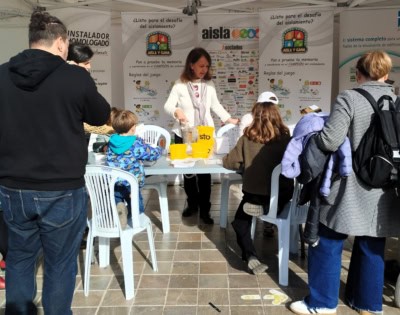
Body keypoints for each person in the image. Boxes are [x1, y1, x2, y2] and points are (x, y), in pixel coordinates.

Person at [0, 10, 111, 314]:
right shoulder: (75, 76)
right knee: (60, 264)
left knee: (20, 259)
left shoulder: (2, 74)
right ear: (61, 43)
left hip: (13, 187)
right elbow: (101, 115)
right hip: (61, 188)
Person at [289, 51, 400, 315]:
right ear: (385, 74)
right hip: (384, 185)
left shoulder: (349, 98)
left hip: (349, 185)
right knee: (372, 245)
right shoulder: (396, 100)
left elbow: (329, 140)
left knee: (327, 240)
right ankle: (369, 305)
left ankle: (322, 303)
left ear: (358, 74)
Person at [164, 47, 239, 224]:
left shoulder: (209, 85)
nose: (204, 69)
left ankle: (205, 209)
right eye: (201, 65)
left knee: (205, 173)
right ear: (191, 65)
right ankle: (192, 204)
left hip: (205, 134)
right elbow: (167, 105)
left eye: (207, 66)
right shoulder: (179, 84)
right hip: (184, 133)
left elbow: (216, 106)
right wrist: (177, 111)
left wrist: (228, 119)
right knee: (188, 172)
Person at [222, 91, 293, 274]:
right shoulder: (286, 138)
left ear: (255, 113)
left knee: (239, 222)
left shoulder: (247, 137)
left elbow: (230, 162)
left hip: (254, 193)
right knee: (273, 195)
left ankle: (250, 255)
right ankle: (270, 209)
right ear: (276, 114)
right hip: (282, 194)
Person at [106, 109, 162, 228]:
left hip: (115, 182)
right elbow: (152, 154)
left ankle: (120, 208)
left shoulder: (111, 141)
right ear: (132, 128)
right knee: (137, 207)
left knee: (118, 198)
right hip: (132, 185)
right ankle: (134, 217)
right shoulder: (135, 143)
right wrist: (160, 149)